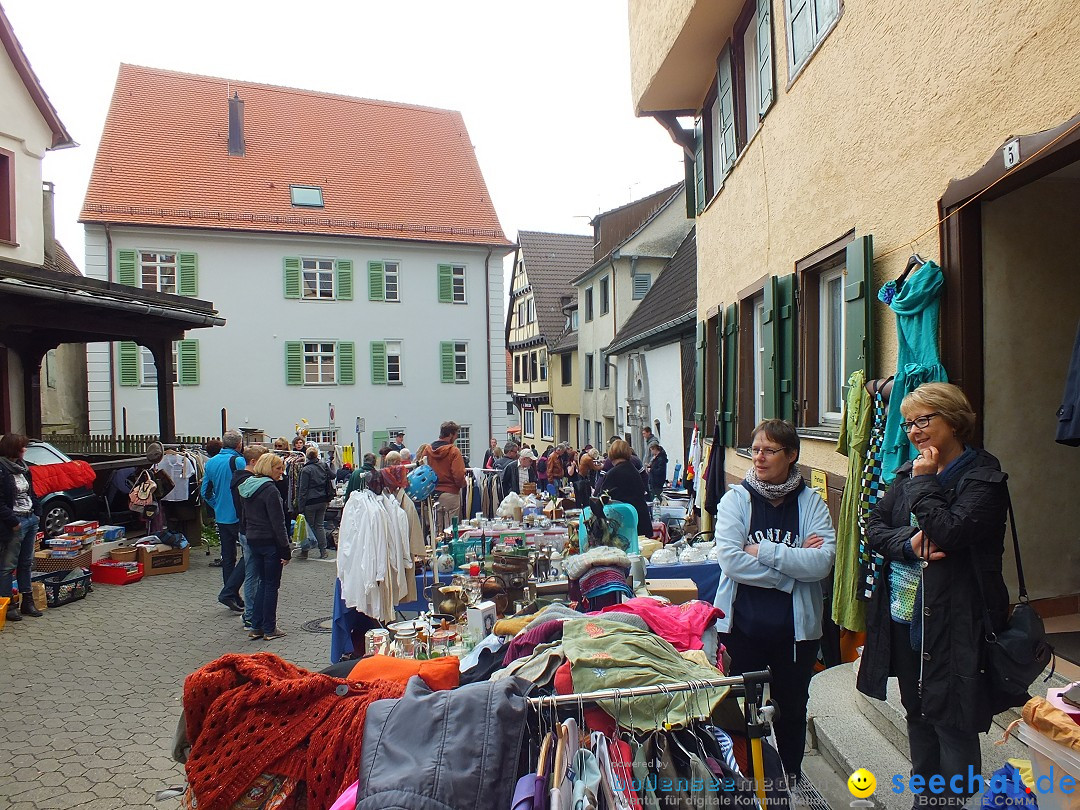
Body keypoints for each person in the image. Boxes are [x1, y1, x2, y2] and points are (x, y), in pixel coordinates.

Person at [856, 383, 1011, 806]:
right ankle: (924, 799)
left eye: (924, 419)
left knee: (953, 721)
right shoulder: (907, 472)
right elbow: (873, 528)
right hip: (904, 616)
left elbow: (950, 531)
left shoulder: (983, 479)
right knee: (918, 714)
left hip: (957, 622)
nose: (913, 431)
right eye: (908, 423)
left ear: (954, 419)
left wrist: (925, 485)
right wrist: (909, 543)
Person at [713, 419, 835, 780]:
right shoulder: (736, 499)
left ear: (791, 455)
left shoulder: (811, 502)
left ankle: (791, 776)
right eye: (755, 450)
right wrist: (791, 571)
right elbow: (731, 561)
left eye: (769, 450)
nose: (759, 458)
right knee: (739, 708)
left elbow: (823, 562)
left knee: (793, 707)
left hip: (796, 633)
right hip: (742, 627)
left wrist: (763, 550)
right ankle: (747, 777)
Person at [237, 452, 290, 641]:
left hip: (253, 539)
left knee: (261, 583)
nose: (281, 472)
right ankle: (269, 628)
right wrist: (286, 549)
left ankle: (256, 626)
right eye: (278, 468)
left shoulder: (248, 487)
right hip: (269, 542)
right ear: (269, 467)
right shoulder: (270, 490)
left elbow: (244, 516)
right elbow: (278, 523)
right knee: (271, 585)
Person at [201, 429, 246, 613]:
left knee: (228, 557)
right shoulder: (238, 461)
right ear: (238, 444)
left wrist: (217, 504)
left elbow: (205, 492)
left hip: (221, 517)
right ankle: (229, 592)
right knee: (249, 554)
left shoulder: (210, 463)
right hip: (239, 515)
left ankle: (232, 594)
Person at [0, 434, 41, 623]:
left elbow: (32, 492)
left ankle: (28, 602)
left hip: (30, 518)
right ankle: (8, 606)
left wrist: (37, 513)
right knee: (8, 566)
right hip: (14, 523)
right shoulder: (2, 469)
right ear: (12, 449)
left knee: (26, 563)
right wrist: (13, 521)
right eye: (21, 447)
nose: (25, 450)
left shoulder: (24, 469)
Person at [231, 444, 268, 633]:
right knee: (254, 574)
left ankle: (251, 615)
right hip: (250, 531)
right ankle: (251, 616)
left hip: (244, 529)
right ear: (254, 462)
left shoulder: (239, 479)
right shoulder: (249, 482)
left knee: (252, 573)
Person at [598, 439, 654, 538]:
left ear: (611, 454)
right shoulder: (634, 471)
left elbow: (602, 499)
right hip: (641, 520)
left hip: (624, 525)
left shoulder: (612, 474)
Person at [426, 421, 467, 535]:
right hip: (450, 493)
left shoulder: (428, 450)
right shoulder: (453, 451)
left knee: (436, 530)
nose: (456, 437)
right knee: (450, 530)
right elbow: (458, 474)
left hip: (432, 494)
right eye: (456, 435)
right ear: (450, 435)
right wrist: (463, 484)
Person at [297, 445, 332, 559]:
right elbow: (333, 475)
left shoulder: (306, 470)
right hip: (322, 499)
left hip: (310, 501)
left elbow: (303, 489)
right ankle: (323, 551)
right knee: (319, 525)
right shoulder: (323, 465)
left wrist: (300, 506)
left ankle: (305, 551)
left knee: (306, 527)